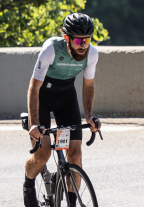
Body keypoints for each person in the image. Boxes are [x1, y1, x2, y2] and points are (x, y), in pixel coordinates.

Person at [24, 13, 102, 207]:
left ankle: (71, 203)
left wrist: (90, 116)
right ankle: (28, 183)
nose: (83, 45)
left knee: (75, 155)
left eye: (86, 40)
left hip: (66, 99)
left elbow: (88, 85)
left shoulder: (91, 54)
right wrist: (34, 123)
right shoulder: (50, 50)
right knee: (42, 155)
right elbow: (34, 87)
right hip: (43, 98)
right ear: (67, 38)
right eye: (78, 40)